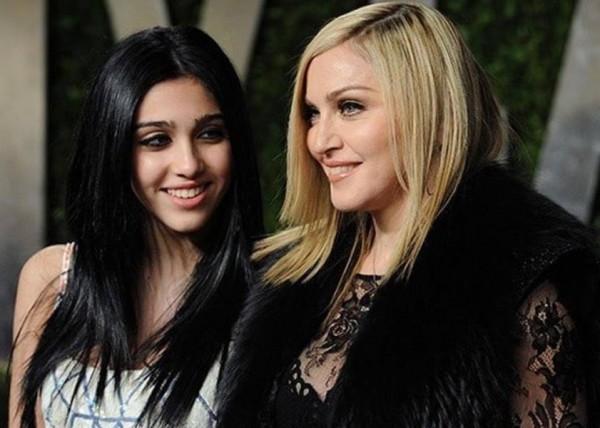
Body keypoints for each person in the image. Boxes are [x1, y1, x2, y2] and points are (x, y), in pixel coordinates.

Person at [216, 2, 600, 427]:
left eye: (350, 107)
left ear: (432, 112)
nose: (319, 141)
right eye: (312, 113)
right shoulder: (293, 273)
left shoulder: (517, 283)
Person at [10, 26, 263, 427]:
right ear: (113, 149)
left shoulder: (269, 291)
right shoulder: (52, 278)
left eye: (210, 134)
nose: (189, 164)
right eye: (156, 140)